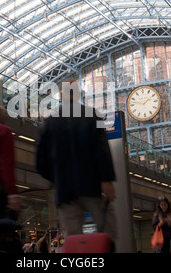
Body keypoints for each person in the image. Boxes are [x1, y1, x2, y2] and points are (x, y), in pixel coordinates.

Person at [36, 79, 117, 242]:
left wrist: (57, 178)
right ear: (78, 93)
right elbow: (101, 150)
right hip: (91, 187)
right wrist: (106, 180)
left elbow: (40, 161)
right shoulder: (92, 115)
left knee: (74, 239)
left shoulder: (50, 122)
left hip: (65, 191)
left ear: (61, 95)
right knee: (109, 231)